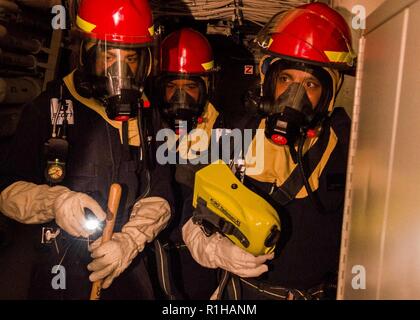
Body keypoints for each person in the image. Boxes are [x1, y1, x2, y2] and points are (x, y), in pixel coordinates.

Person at [181, 3, 355, 300]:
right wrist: (215, 249)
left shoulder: (348, 143)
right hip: (241, 295)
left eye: (310, 84)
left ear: (327, 95)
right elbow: (191, 211)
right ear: (269, 81)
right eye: (286, 80)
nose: (293, 97)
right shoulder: (235, 134)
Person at [0, 0, 173, 299]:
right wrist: (55, 202)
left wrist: (130, 240)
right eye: (109, 54)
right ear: (85, 52)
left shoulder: (147, 116)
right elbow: (6, 192)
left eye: (131, 57)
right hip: (59, 269)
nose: (121, 69)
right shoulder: (47, 108)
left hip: (124, 266)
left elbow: (160, 191)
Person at [154, 28, 224, 299]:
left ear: (206, 87)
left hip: (199, 252)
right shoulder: (144, 126)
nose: (179, 97)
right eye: (171, 87)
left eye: (190, 87)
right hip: (152, 246)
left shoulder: (226, 131)